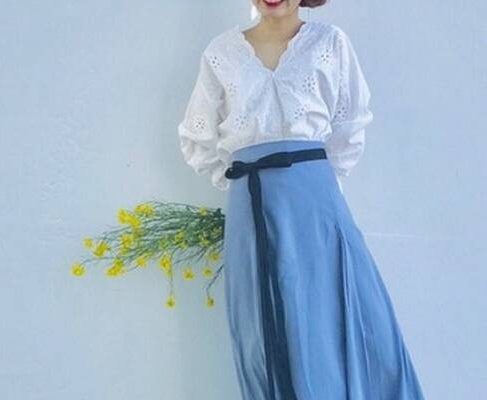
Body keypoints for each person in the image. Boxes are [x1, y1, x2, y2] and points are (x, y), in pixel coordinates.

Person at [177, 1, 427, 399]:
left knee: (329, 319)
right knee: (262, 329)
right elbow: (196, 137)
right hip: (251, 203)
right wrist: (244, 183)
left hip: (315, 202)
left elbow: (350, 126)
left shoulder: (330, 42)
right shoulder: (221, 52)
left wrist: (310, 183)